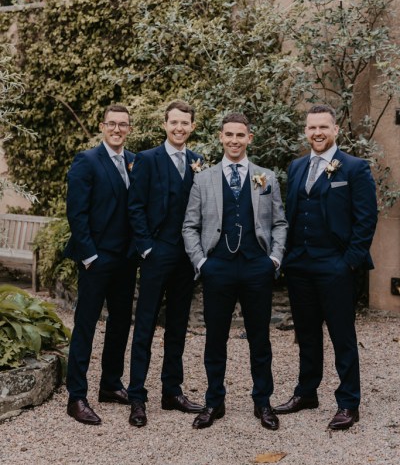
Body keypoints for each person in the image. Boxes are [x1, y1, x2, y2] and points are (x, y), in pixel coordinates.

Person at [274, 103, 378, 430]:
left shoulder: (354, 168)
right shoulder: (295, 167)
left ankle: (348, 402)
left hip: (335, 265)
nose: (317, 133)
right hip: (300, 266)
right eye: (311, 128)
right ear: (306, 131)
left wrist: (348, 263)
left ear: (335, 130)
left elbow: (366, 220)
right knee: (306, 333)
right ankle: (307, 392)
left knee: (342, 334)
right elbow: (291, 214)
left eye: (323, 127)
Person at [182, 112, 288, 430]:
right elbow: (190, 226)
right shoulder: (203, 179)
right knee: (215, 339)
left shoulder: (266, 177)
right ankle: (214, 402)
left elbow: (280, 223)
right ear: (220, 137)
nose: (234, 140)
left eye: (240, 135)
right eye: (229, 134)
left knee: (260, 339)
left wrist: (273, 259)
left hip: (257, 266)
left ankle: (263, 402)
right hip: (218, 268)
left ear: (249, 138)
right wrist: (202, 262)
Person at [127, 100, 204, 427]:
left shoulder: (198, 161)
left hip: (186, 258)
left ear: (192, 127)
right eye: (174, 122)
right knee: (144, 326)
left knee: (177, 325)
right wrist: (146, 248)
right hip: (156, 255)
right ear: (165, 124)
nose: (179, 128)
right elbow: (135, 207)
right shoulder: (146, 159)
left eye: (184, 123)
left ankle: (172, 391)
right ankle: (137, 396)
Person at [64, 104, 137, 425]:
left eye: (123, 125)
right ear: (102, 126)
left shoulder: (135, 160)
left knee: (121, 323)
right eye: (112, 124)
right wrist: (89, 255)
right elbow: (76, 213)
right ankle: (76, 396)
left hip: (125, 260)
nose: (117, 129)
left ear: (129, 129)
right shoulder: (87, 161)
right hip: (96, 259)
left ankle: (110, 384)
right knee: (86, 325)